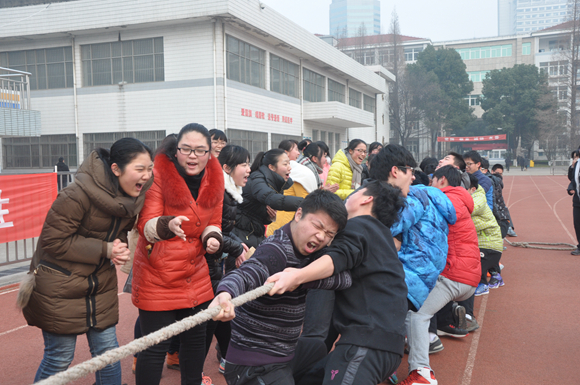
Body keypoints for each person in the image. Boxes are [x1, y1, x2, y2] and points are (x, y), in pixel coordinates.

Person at [18, 138, 154, 384]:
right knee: (60, 357)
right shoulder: (76, 195)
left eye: (150, 169)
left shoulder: (134, 196)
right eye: (140, 169)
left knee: (109, 355)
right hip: (59, 284)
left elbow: (116, 232)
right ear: (115, 169)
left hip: (98, 283)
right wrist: (106, 248)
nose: (146, 176)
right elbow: (53, 242)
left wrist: (118, 246)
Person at [268, 181, 408, 385]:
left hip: (366, 343)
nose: (347, 198)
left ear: (366, 198)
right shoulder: (383, 235)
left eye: (352, 194)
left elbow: (338, 257)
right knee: (305, 378)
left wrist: (297, 276)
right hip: (385, 345)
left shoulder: (359, 225)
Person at [210, 190, 351, 385]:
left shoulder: (313, 254)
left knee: (318, 349)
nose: (321, 237)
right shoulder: (276, 251)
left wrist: (298, 278)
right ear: (299, 214)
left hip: (284, 352)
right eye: (317, 226)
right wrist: (225, 293)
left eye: (329, 234)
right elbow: (247, 273)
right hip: (252, 362)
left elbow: (345, 279)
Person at [132, 124, 224, 385]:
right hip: (157, 273)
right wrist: (167, 225)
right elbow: (145, 223)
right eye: (186, 149)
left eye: (200, 150)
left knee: (195, 343)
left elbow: (213, 221)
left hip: (195, 273)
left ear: (210, 153)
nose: (192, 156)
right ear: (176, 151)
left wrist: (212, 237)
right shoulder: (158, 174)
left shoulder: (215, 178)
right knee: (154, 348)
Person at [400, 165, 480, 385]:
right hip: (467, 276)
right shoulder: (461, 199)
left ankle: (421, 372)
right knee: (421, 297)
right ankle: (446, 319)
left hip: (454, 275)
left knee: (416, 313)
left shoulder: (444, 201)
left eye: (432, 181)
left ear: (441, 180)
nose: (430, 186)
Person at [204, 144, 252, 373]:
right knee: (208, 319)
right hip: (204, 262)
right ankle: (195, 373)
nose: (248, 169)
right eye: (244, 164)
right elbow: (210, 229)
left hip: (215, 262)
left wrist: (238, 245)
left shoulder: (230, 190)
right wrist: (236, 248)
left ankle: (228, 360)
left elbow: (223, 228)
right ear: (226, 167)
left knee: (220, 312)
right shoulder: (218, 190)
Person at [233, 149, 303, 248]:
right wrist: (306, 203)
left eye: (289, 164)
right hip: (241, 237)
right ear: (271, 167)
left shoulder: (274, 183)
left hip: (252, 233)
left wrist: (268, 217)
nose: (289, 168)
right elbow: (272, 199)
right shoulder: (257, 179)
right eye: (285, 164)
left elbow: (252, 212)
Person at [568, 148, 580, 255]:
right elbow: (572, 179)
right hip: (577, 200)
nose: (576, 159)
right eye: (575, 157)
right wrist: (570, 188)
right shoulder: (576, 166)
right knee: (577, 223)